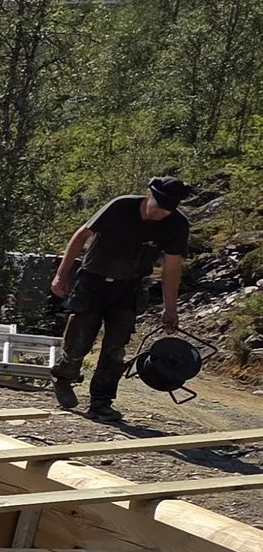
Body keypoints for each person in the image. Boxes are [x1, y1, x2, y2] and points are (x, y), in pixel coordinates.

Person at [49, 175, 194, 420]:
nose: (161, 214)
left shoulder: (177, 225)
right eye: (158, 208)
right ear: (149, 195)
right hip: (93, 282)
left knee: (115, 349)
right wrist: (61, 275)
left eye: (167, 210)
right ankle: (63, 377)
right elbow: (81, 235)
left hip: (129, 288)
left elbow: (172, 267)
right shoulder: (120, 206)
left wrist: (170, 308)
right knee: (79, 341)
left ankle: (101, 402)